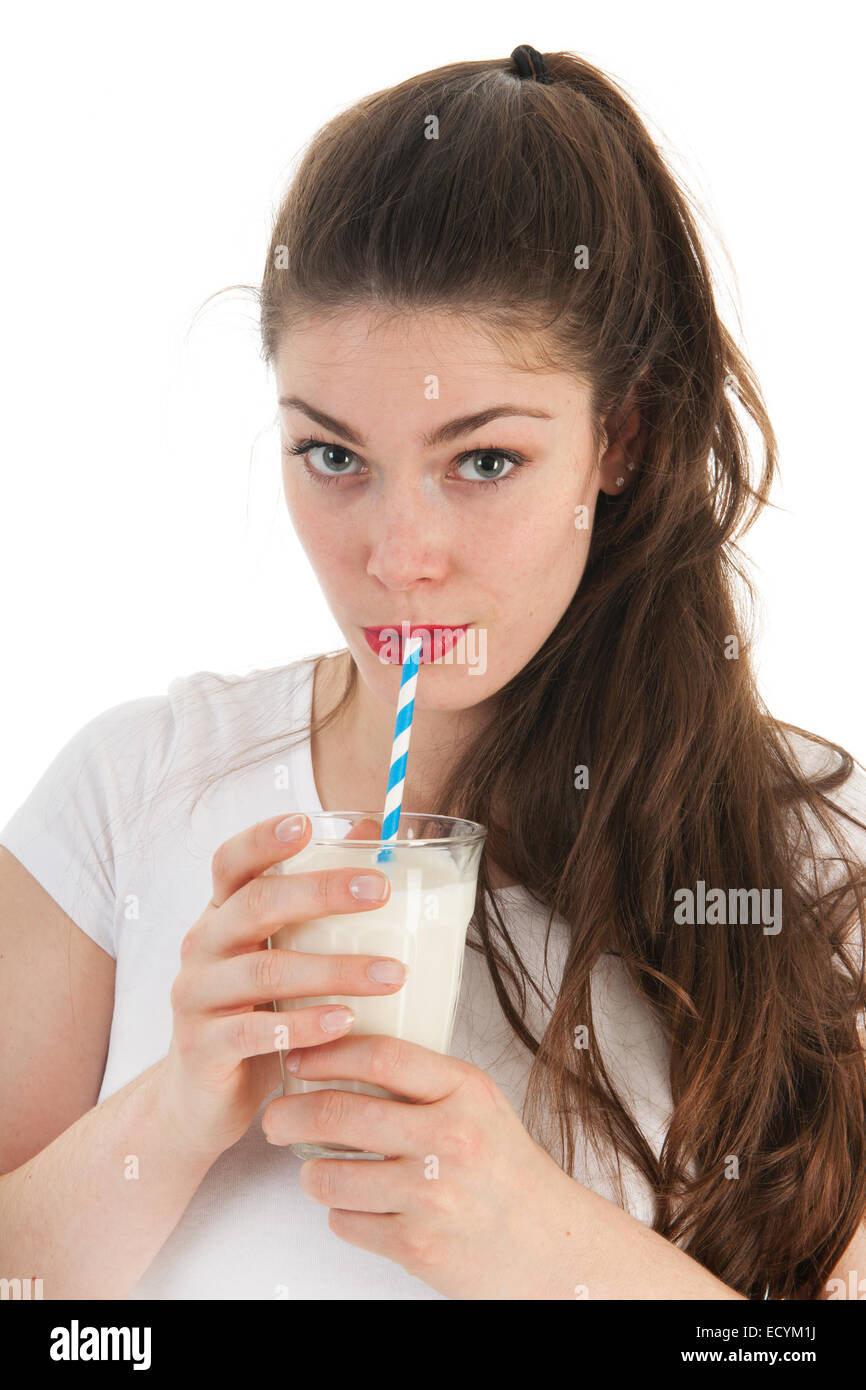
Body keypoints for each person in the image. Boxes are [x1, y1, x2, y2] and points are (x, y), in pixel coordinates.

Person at [1, 44, 864, 1302]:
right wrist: (175, 1109)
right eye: (332, 456)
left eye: (484, 461)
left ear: (615, 439)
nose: (398, 562)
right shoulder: (130, 796)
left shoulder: (814, 859)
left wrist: (542, 1247)